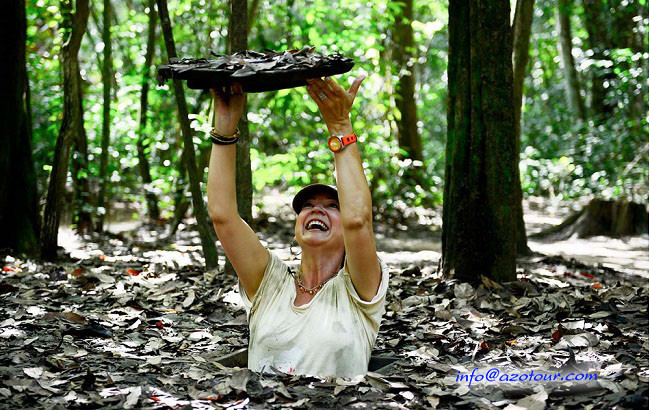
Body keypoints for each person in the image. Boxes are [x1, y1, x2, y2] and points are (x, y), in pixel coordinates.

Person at [207, 75, 389, 378]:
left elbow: (359, 220)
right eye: (308, 205)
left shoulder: (359, 288)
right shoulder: (269, 284)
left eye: (333, 206)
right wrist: (225, 130)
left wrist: (341, 127)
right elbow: (222, 215)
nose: (317, 208)